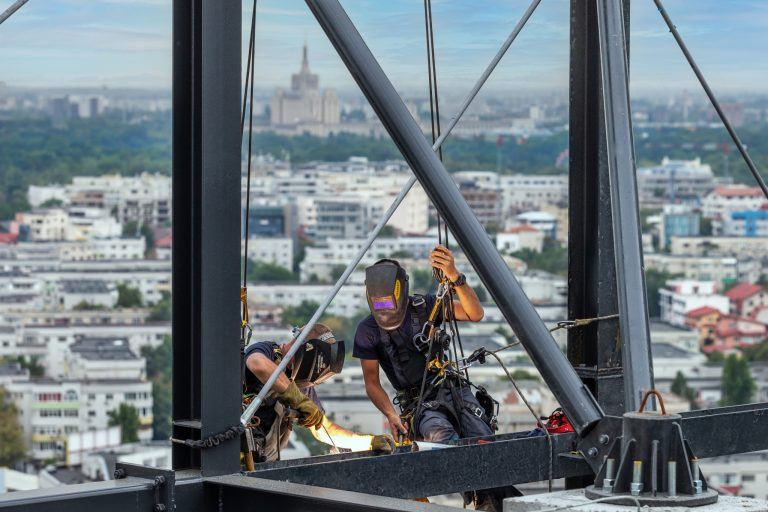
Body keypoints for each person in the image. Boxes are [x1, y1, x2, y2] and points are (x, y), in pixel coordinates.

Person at [354, 246, 516, 510]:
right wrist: (391, 415)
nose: (385, 310)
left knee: (484, 441)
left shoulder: (425, 307)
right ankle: (481, 496)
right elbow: (371, 382)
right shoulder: (368, 330)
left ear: (401, 290)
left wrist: (454, 276)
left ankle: (493, 502)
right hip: (419, 404)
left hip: (452, 388)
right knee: (444, 441)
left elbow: (475, 313)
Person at [243, 323, 394, 462]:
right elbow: (257, 364)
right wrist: (297, 399)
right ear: (306, 349)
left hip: (260, 462)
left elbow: (324, 429)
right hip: (232, 449)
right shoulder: (268, 351)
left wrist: (368, 442)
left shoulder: (302, 386)